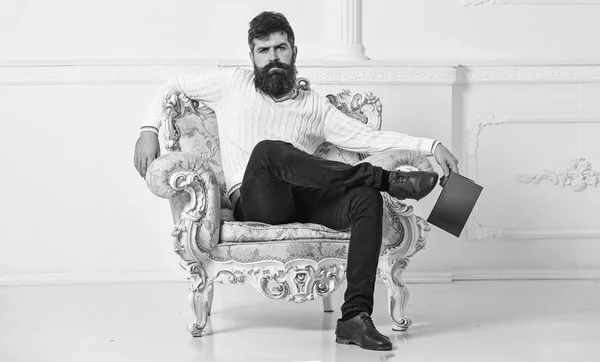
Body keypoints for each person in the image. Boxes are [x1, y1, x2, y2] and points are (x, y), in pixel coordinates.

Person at [134, 11, 459, 351]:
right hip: (258, 201)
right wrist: (148, 131)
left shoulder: (314, 106)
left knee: (367, 199)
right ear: (252, 57)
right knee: (268, 151)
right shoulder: (233, 84)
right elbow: (173, 85)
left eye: (280, 48)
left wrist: (432, 146)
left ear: (294, 52)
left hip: (307, 197)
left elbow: (367, 139)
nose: (273, 57)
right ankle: (380, 178)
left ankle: (354, 318)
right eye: (264, 50)